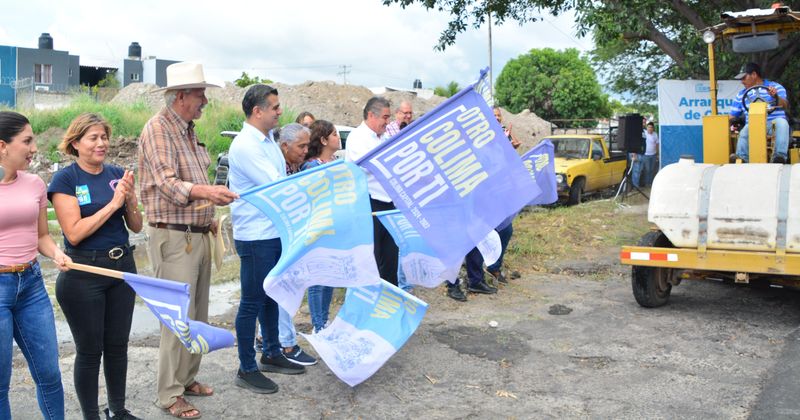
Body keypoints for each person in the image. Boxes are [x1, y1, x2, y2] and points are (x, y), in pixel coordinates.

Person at [138, 62, 238, 419]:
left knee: (197, 314)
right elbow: (168, 184)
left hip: (196, 235)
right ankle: (169, 393)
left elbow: (192, 183)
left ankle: (187, 377)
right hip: (173, 238)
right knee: (175, 319)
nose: (205, 101)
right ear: (181, 96)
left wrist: (209, 213)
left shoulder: (188, 131)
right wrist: (208, 192)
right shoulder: (159, 130)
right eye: (200, 94)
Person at [49, 113, 143, 420]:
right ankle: (91, 415)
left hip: (121, 268)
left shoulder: (117, 172)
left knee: (118, 346)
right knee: (90, 351)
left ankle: (118, 410)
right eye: (94, 138)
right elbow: (74, 232)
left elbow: (137, 225)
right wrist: (113, 204)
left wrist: (128, 200)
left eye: (104, 137)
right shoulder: (66, 179)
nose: (102, 143)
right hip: (84, 274)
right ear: (76, 143)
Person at [229, 85, 307, 394]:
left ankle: (272, 352)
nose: (279, 111)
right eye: (274, 106)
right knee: (251, 301)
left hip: (273, 231)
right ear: (257, 111)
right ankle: (246, 367)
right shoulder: (245, 146)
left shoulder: (268, 141)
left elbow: (284, 179)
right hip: (255, 235)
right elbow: (278, 186)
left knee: (273, 294)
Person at [0, 111, 70, 420]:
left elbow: (41, 236)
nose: (34, 148)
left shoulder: (35, 184)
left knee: (50, 375)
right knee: (0, 386)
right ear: (3, 146)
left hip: (31, 285)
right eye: (27, 141)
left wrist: (56, 252)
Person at [345, 97, 400, 286]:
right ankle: (371, 304)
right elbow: (370, 165)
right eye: (385, 117)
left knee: (391, 257)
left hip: (388, 204)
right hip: (368, 205)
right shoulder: (357, 137)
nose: (388, 122)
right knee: (372, 259)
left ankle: (390, 303)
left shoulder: (383, 137)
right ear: (371, 115)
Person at [301, 120, 341, 333]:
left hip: (333, 229)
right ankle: (318, 325)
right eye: (334, 134)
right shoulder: (311, 166)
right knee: (317, 279)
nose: (338, 137)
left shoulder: (335, 162)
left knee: (330, 276)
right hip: (318, 229)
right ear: (324, 140)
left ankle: (324, 320)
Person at [729, 62, 791, 163]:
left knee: (782, 123)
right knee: (744, 131)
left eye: (744, 77)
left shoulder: (776, 87)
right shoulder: (740, 95)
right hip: (753, 125)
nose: (742, 81)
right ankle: (741, 158)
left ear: (754, 75)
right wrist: (729, 123)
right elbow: (732, 116)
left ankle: (779, 157)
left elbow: (785, 105)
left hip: (774, 124)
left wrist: (775, 96)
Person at [639, 122, 659, 187]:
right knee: (647, 170)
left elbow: (657, 144)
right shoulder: (644, 133)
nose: (650, 129)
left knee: (652, 169)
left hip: (653, 155)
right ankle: (647, 183)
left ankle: (650, 183)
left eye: (651, 127)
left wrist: (657, 153)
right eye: (649, 127)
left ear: (653, 128)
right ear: (646, 128)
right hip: (646, 155)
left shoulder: (655, 134)